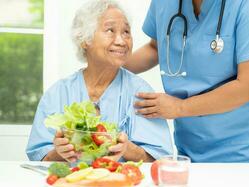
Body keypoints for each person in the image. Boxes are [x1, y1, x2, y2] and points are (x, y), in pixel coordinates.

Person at [125, 0, 249, 162]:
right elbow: (156, 48)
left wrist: (179, 107)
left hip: (244, 149)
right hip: (189, 146)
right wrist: (107, 64)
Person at [26, 0, 173, 163]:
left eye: (126, 32)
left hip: (124, 186)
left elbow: (160, 160)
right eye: (110, 30)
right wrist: (58, 153)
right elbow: (39, 158)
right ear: (84, 40)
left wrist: (127, 148)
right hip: (71, 186)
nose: (122, 41)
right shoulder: (58, 93)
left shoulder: (141, 92)